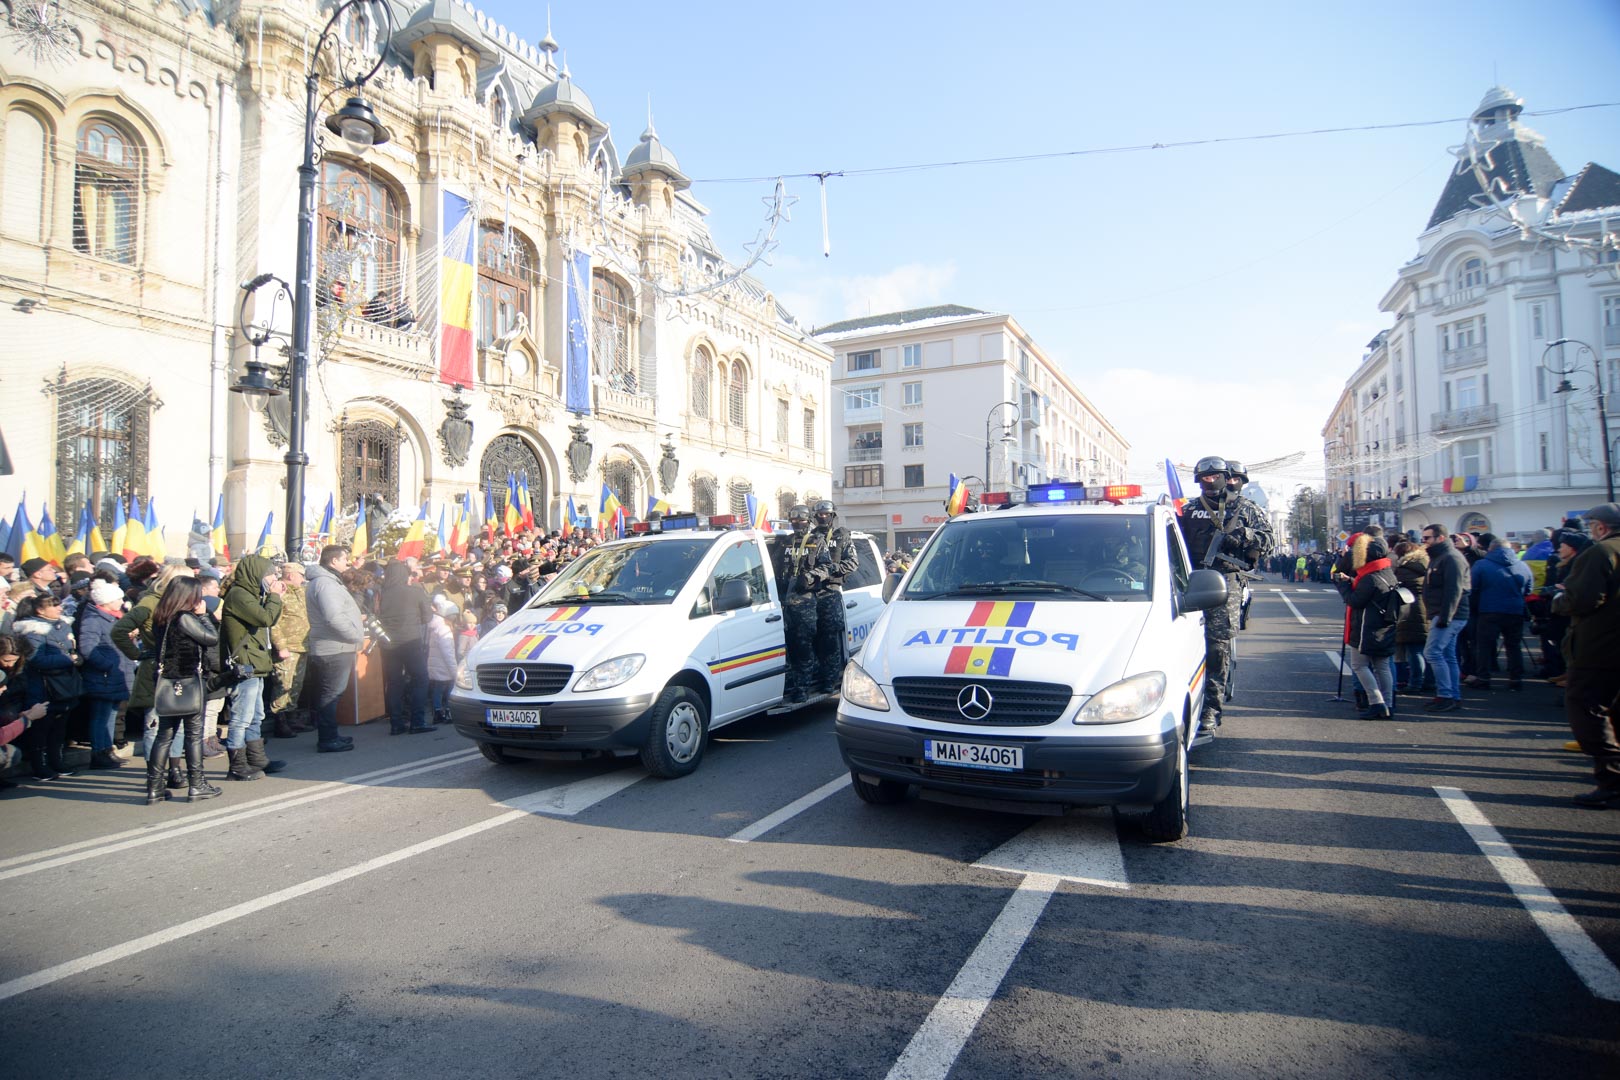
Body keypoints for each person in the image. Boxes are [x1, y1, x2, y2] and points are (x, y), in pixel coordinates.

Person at [1176, 455, 1274, 731]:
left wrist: (1245, 536)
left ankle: (1211, 707)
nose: (1210, 482)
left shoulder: (1245, 508)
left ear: (1224, 477)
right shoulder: (1189, 509)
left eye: (1214, 477)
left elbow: (1269, 540)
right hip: (1191, 580)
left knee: (1217, 646)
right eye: (1204, 478)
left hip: (1225, 580)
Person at [1549, 503, 1620, 808]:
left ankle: (1612, 779)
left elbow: (1581, 599)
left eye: (1592, 526)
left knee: (1586, 709)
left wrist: (1559, 598)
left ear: (1601, 527)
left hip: (1599, 646)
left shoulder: (1601, 553)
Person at [144, 576, 223, 804]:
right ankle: (197, 784)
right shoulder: (184, 618)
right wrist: (204, 615)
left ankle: (154, 787)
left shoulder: (162, 617)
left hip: (167, 682)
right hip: (188, 681)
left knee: (164, 735)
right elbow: (211, 638)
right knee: (193, 735)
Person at [220, 553, 287, 780]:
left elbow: (270, 619)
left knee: (256, 715)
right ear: (256, 574)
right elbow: (265, 618)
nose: (273, 579)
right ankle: (237, 766)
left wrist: (273, 597)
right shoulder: (239, 595)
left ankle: (257, 759)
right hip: (245, 664)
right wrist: (274, 597)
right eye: (269, 574)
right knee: (241, 717)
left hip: (255, 662)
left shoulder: (252, 594)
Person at [1334, 534, 1402, 719]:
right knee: (1383, 667)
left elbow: (1355, 600)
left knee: (1359, 666)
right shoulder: (1387, 572)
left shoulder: (1369, 577)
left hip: (1366, 628)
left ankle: (1376, 702)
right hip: (1383, 627)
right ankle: (1388, 704)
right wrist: (1351, 581)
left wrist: (1343, 585)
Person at [303, 545, 361, 754]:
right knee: (330, 695)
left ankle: (331, 734)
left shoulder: (327, 581)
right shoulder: (326, 583)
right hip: (334, 647)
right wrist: (355, 635)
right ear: (334, 561)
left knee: (330, 693)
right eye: (344, 559)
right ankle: (328, 739)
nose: (348, 562)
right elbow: (333, 618)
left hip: (332, 646)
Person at [76, 578, 136, 769]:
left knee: (111, 714)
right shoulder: (93, 620)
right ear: (106, 601)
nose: (121, 602)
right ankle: (98, 752)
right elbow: (88, 648)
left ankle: (107, 750)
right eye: (118, 599)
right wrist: (108, 666)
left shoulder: (115, 617)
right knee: (100, 716)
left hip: (117, 674)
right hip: (104, 676)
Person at [802, 499, 859, 696]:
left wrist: (831, 569)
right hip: (808, 594)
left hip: (830, 592)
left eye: (826, 514)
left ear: (832, 515)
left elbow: (853, 563)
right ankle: (814, 677)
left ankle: (830, 680)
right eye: (820, 514)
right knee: (809, 638)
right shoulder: (809, 537)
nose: (823, 517)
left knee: (829, 639)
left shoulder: (841, 536)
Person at [1466, 535, 1533, 691]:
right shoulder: (1522, 565)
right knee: (1514, 646)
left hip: (1489, 610)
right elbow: (1528, 589)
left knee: (1484, 646)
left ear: (1490, 549)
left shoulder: (1481, 565)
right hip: (1515, 610)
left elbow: (1473, 588)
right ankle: (1516, 679)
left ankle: (1483, 678)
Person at [378, 559, 433, 734]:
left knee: (394, 682)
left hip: (387, 643)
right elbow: (428, 617)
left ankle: (396, 724)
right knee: (420, 678)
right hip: (411, 641)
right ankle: (417, 722)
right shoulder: (415, 591)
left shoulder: (380, 593)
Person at [1418, 524, 1470, 712]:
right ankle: (1452, 696)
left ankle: (1445, 695)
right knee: (1447, 656)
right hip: (1445, 614)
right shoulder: (1440, 556)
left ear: (1440, 538)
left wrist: (1445, 617)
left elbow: (1454, 590)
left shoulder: (1451, 558)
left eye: (1427, 538)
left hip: (1448, 615)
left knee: (1432, 653)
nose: (1424, 541)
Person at [772, 504, 818, 703]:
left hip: (804, 603)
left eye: (801, 519)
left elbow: (827, 566)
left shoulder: (816, 541)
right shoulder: (785, 542)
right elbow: (773, 567)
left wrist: (809, 577)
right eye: (794, 519)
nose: (797, 523)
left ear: (809, 520)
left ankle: (802, 689)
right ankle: (790, 685)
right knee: (789, 646)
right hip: (784, 603)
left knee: (803, 647)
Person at [268, 560, 313, 739]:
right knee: (283, 684)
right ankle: (279, 719)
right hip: (288, 646)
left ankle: (292, 717)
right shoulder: (280, 593)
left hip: (302, 645)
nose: (303, 579)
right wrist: (281, 646)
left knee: (296, 684)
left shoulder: (301, 592)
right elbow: (274, 623)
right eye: (301, 575)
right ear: (291, 575)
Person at [1391, 540, 1430, 695]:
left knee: (1414, 650)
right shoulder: (1425, 565)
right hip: (1425, 608)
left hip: (1410, 610)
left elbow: (1395, 588)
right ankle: (1428, 681)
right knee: (1422, 649)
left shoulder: (1404, 569)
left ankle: (1416, 683)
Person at [425, 597, 458, 725]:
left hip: (436, 665)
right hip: (444, 666)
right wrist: (455, 672)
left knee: (438, 689)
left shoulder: (435, 627)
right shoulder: (445, 630)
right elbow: (448, 653)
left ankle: (437, 712)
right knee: (451, 688)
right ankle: (449, 712)